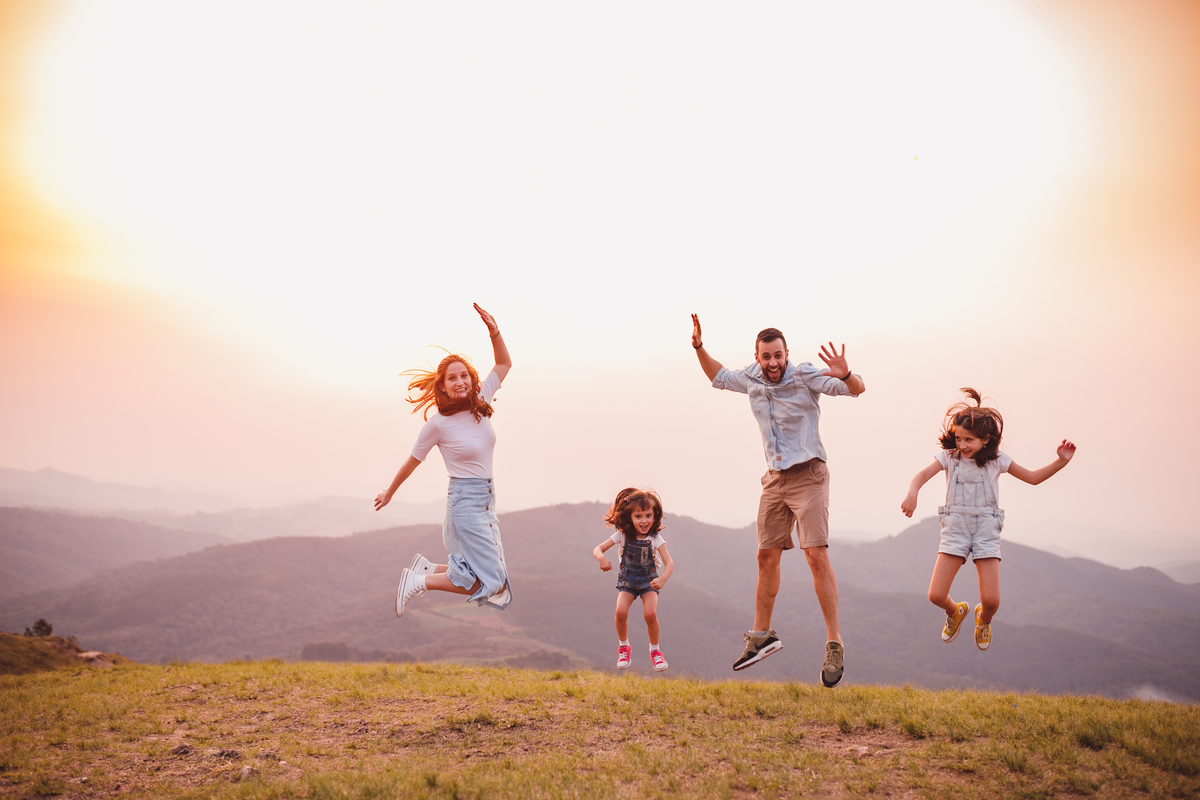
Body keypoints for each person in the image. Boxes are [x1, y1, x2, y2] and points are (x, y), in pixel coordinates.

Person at [691, 314, 865, 687]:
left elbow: (856, 390)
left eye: (777, 356)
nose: (772, 363)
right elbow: (719, 377)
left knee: (815, 554)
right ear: (757, 356)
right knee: (765, 555)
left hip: (809, 476)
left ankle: (834, 642)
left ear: (787, 354)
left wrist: (846, 374)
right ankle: (762, 636)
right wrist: (698, 347)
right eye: (765, 356)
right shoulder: (751, 377)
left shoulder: (804, 375)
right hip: (774, 480)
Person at [901, 388, 1076, 650]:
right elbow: (921, 475)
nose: (962, 445)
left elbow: (1033, 478)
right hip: (955, 531)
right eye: (959, 438)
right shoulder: (949, 458)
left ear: (985, 440)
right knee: (936, 595)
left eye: (968, 440)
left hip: (986, 532)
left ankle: (984, 619)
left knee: (992, 601)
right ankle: (955, 611)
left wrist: (1060, 462)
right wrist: (912, 493)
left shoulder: (997, 461)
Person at [375, 303, 513, 617]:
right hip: (464, 503)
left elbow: (504, 363)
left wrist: (494, 332)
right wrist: (390, 492)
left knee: (481, 576)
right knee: (489, 581)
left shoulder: (481, 401)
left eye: (465, 375)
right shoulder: (437, 424)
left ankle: (426, 569)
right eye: (452, 378)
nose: (460, 381)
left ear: (472, 378)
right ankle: (419, 580)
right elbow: (413, 460)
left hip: (486, 500)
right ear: (443, 386)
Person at [593, 488, 674, 672]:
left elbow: (670, 563)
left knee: (650, 614)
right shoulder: (622, 535)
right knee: (620, 612)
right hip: (628, 580)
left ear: (655, 516)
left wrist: (662, 579)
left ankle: (655, 651)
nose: (644, 520)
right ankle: (623, 646)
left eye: (648, 515)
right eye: (638, 516)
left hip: (649, 581)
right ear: (630, 517)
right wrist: (601, 558)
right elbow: (597, 549)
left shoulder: (655, 539)